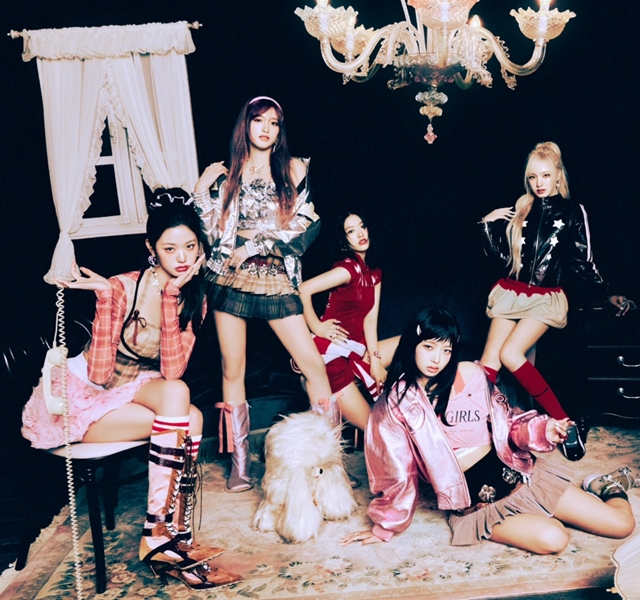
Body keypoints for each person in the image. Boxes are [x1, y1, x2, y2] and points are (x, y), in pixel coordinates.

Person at [21, 190, 241, 590]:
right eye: (170, 248)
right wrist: (105, 301)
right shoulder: (123, 287)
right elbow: (100, 373)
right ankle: (163, 537)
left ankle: (168, 534)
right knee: (185, 417)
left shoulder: (194, 297)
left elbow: (172, 370)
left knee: (184, 405)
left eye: (190, 246)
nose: (182, 257)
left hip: (134, 389)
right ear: (151, 249)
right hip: (83, 398)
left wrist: (172, 298)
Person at [342, 307, 636, 552]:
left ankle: (605, 484)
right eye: (428, 347)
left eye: (446, 349)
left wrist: (544, 430)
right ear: (411, 346)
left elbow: (509, 425)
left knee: (621, 526)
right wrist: (385, 527)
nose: (437, 359)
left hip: (521, 476)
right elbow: (396, 470)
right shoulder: (395, 404)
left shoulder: (471, 374)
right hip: (478, 505)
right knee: (554, 538)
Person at [192, 96, 333, 493]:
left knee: (313, 364)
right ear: (246, 125)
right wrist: (201, 189)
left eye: (273, 122)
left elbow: (306, 223)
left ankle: (328, 461)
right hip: (230, 277)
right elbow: (212, 232)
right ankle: (240, 465)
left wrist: (257, 244)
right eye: (259, 120)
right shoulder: (227, 174)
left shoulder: (294, 168)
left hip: (274, 274)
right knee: (232, 368)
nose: (266, 128)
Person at [480, 142, 633, 461]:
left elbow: (582, 261)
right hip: (511, 291)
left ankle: (565, 423)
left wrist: (606, 293)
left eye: (546, 175)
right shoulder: (522, 208)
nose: (539, 183)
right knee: (488, 365)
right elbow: (504, 260)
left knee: (511, 354)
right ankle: (480, 432)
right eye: (533, 176)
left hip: (544, 297)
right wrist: (487, 225)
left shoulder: (573, 211)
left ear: (558, 175)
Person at [296, 212, 399, 432]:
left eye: (362, 227)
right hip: (332, 354)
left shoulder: (374, 274)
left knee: (413, 342)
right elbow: (303, 290)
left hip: (356, 349)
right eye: (351, 231)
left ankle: (422, 409)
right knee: (375, 430)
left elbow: (370, 319)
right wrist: (317, 327)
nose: (360, 234)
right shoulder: (347, 269)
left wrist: (376, 361)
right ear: (344, 240)